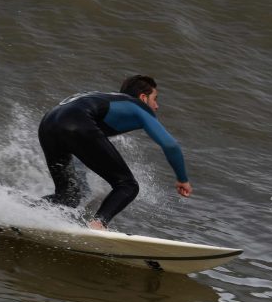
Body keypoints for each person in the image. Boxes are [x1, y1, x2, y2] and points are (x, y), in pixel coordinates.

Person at [37, 75, 192, 230]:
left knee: (68, 196)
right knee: (128, 185)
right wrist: (182, 179)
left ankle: (24, 209)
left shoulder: (106, 99)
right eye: (155, 99)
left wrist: (81, 179)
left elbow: (81, 145)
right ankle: (97, 225)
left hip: (47, 124)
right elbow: (171, 145)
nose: (156, 106)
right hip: (76, 121)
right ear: (143, 98)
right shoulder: (139, 106)